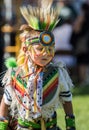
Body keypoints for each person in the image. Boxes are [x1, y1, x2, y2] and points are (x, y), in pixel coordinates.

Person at [0, 0, 76, 130]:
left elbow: (67, 100)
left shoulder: (57, 73)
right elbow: (6, 103)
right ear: (26, 50)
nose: (46, 53)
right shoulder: (15, 74)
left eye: (50, 49)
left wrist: (71, 126)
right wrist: (3, 126)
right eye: (40, 49)